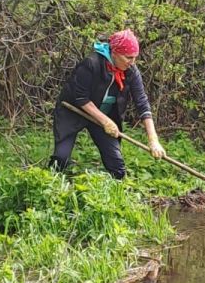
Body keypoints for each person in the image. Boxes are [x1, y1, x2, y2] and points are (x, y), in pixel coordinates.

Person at [49, 29, 165, 178]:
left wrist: (153, 139)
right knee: (61, 159)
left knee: (117, 167)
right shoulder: (91, 64)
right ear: (115, 52)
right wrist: (105, 121)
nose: (132, 62)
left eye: (135, 57)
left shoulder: (131, 71)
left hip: (103, 116)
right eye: (128, 57)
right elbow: (80, 98)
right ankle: (52, 181)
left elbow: (142, 103)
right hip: (73, 111)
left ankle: (115, 193)